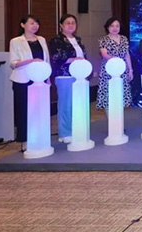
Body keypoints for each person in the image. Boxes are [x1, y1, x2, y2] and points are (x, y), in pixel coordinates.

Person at [9, 15, 50, 151]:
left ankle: (40, 137)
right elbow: (13, 63)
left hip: (40, 79)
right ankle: (25, 140)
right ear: (23, 25)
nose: (35, 26)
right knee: (23, 111)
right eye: (32, 23)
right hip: (23, 79)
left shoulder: (41, 39)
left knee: (39, 110)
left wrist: (48, 78)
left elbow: (47, 60)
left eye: (37, 23)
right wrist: (31, 61)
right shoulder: (16, 41)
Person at [49, 14, 87, 144]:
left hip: (79, 76)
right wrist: (73, 59)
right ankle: (65, 133)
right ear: (61, 25)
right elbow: (56, 58)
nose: (71, 25)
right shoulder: (56, 40)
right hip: (65, 75)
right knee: (66, 105)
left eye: (73, 23)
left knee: (77, 105)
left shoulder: (78, 39)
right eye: (67, 23)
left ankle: (77, 130)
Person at [97, 17, 133, 113]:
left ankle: (118, 119)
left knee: (120, 95)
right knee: (108, 96)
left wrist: (130, 70)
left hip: (122, 70)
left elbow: (127, 55)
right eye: (112, 26)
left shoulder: (124, 39)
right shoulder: (103, 39)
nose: (115, 28)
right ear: (107, 27)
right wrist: (115, 60)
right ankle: (110, 119)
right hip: (108, 70)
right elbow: (104, 54)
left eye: (117, 26)